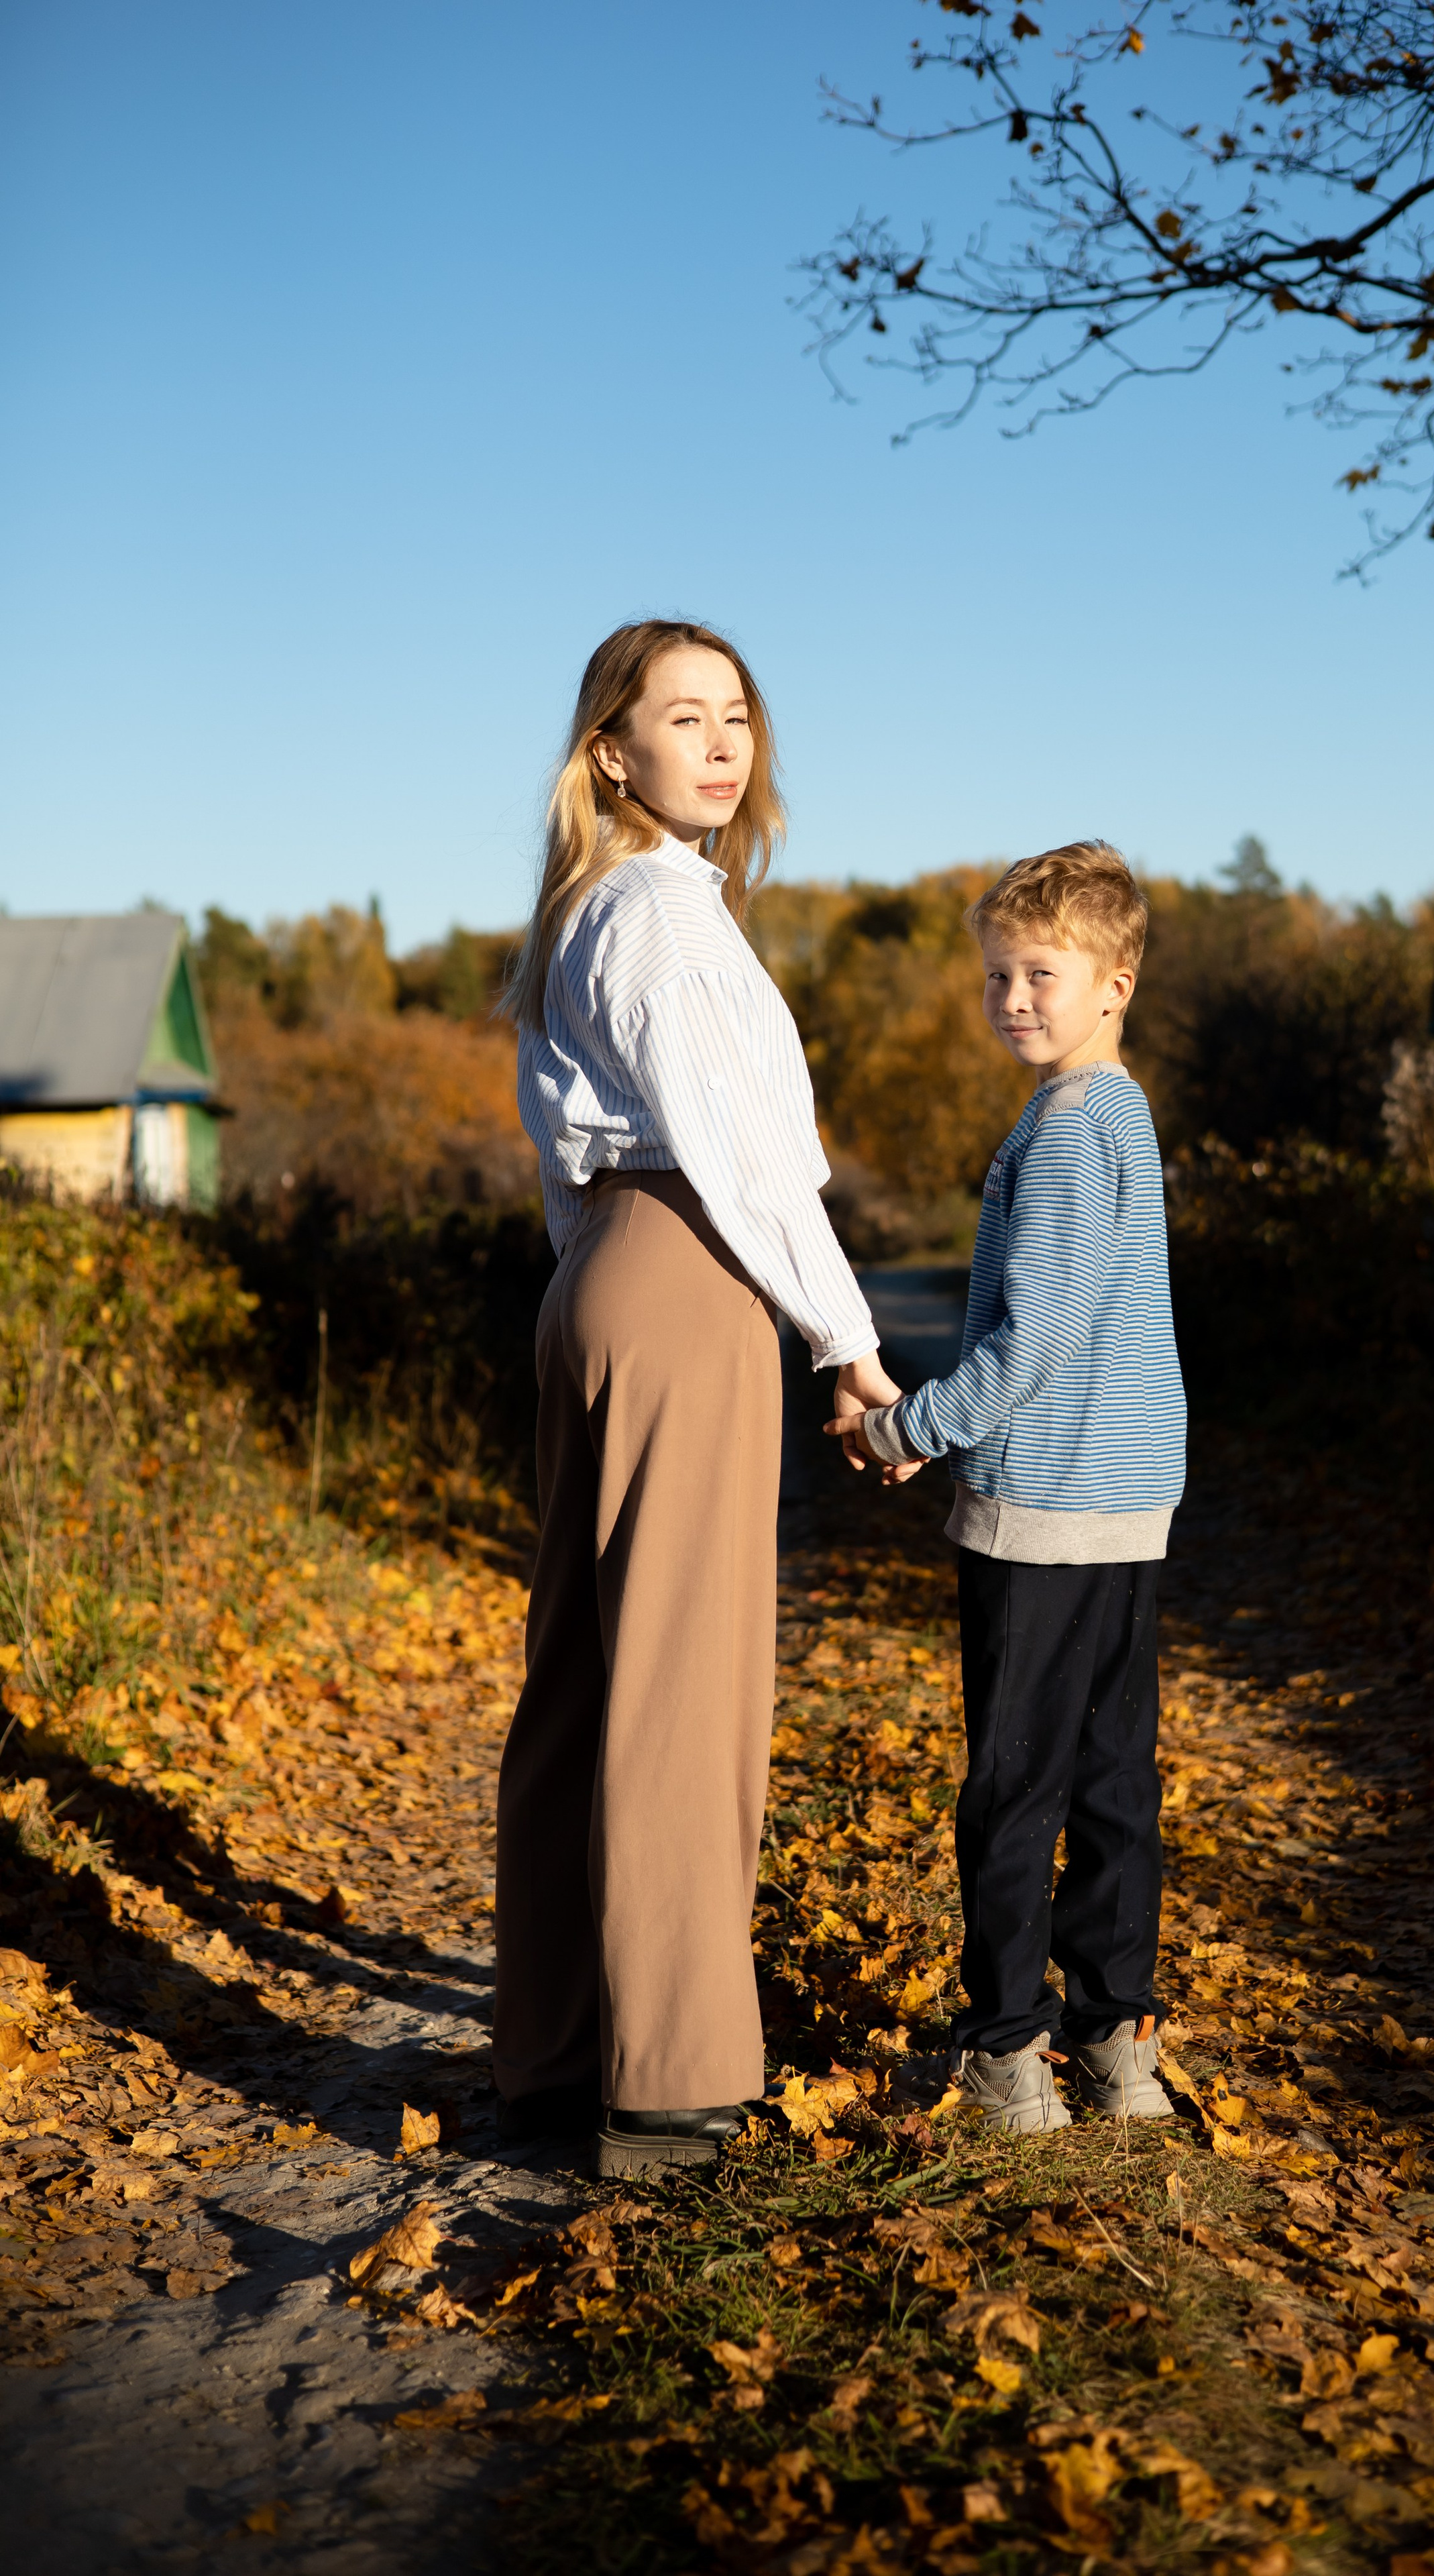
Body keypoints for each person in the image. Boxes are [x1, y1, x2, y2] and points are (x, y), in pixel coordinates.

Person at [499, 618, 902, 2177]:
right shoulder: (665, 917)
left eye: (736, 714)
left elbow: (559, 1157)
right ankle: (670, 2081)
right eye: (685, 717)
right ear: (614, 749)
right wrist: (844, 1343)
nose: (724, 743)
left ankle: (549, 2058)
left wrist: (593, 1273)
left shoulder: (583, 910)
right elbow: (744, 1162)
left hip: (601, 1273)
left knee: (585, 1679)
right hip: (685, 1267)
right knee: (682, 1684)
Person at [831, 843, 1186, 2134]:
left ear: (1116, 983)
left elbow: (1031, 1344)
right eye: (996, 976)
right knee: (1110, 1781)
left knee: (1018, 1784)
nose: (1015, 998)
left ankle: (1004, 2055)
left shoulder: (1063, 1132)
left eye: (1043, 972)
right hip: (1129, 1496)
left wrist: (908, 1427)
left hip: (1045, 1503)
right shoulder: (1125, 1113)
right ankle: (1112, 2042)